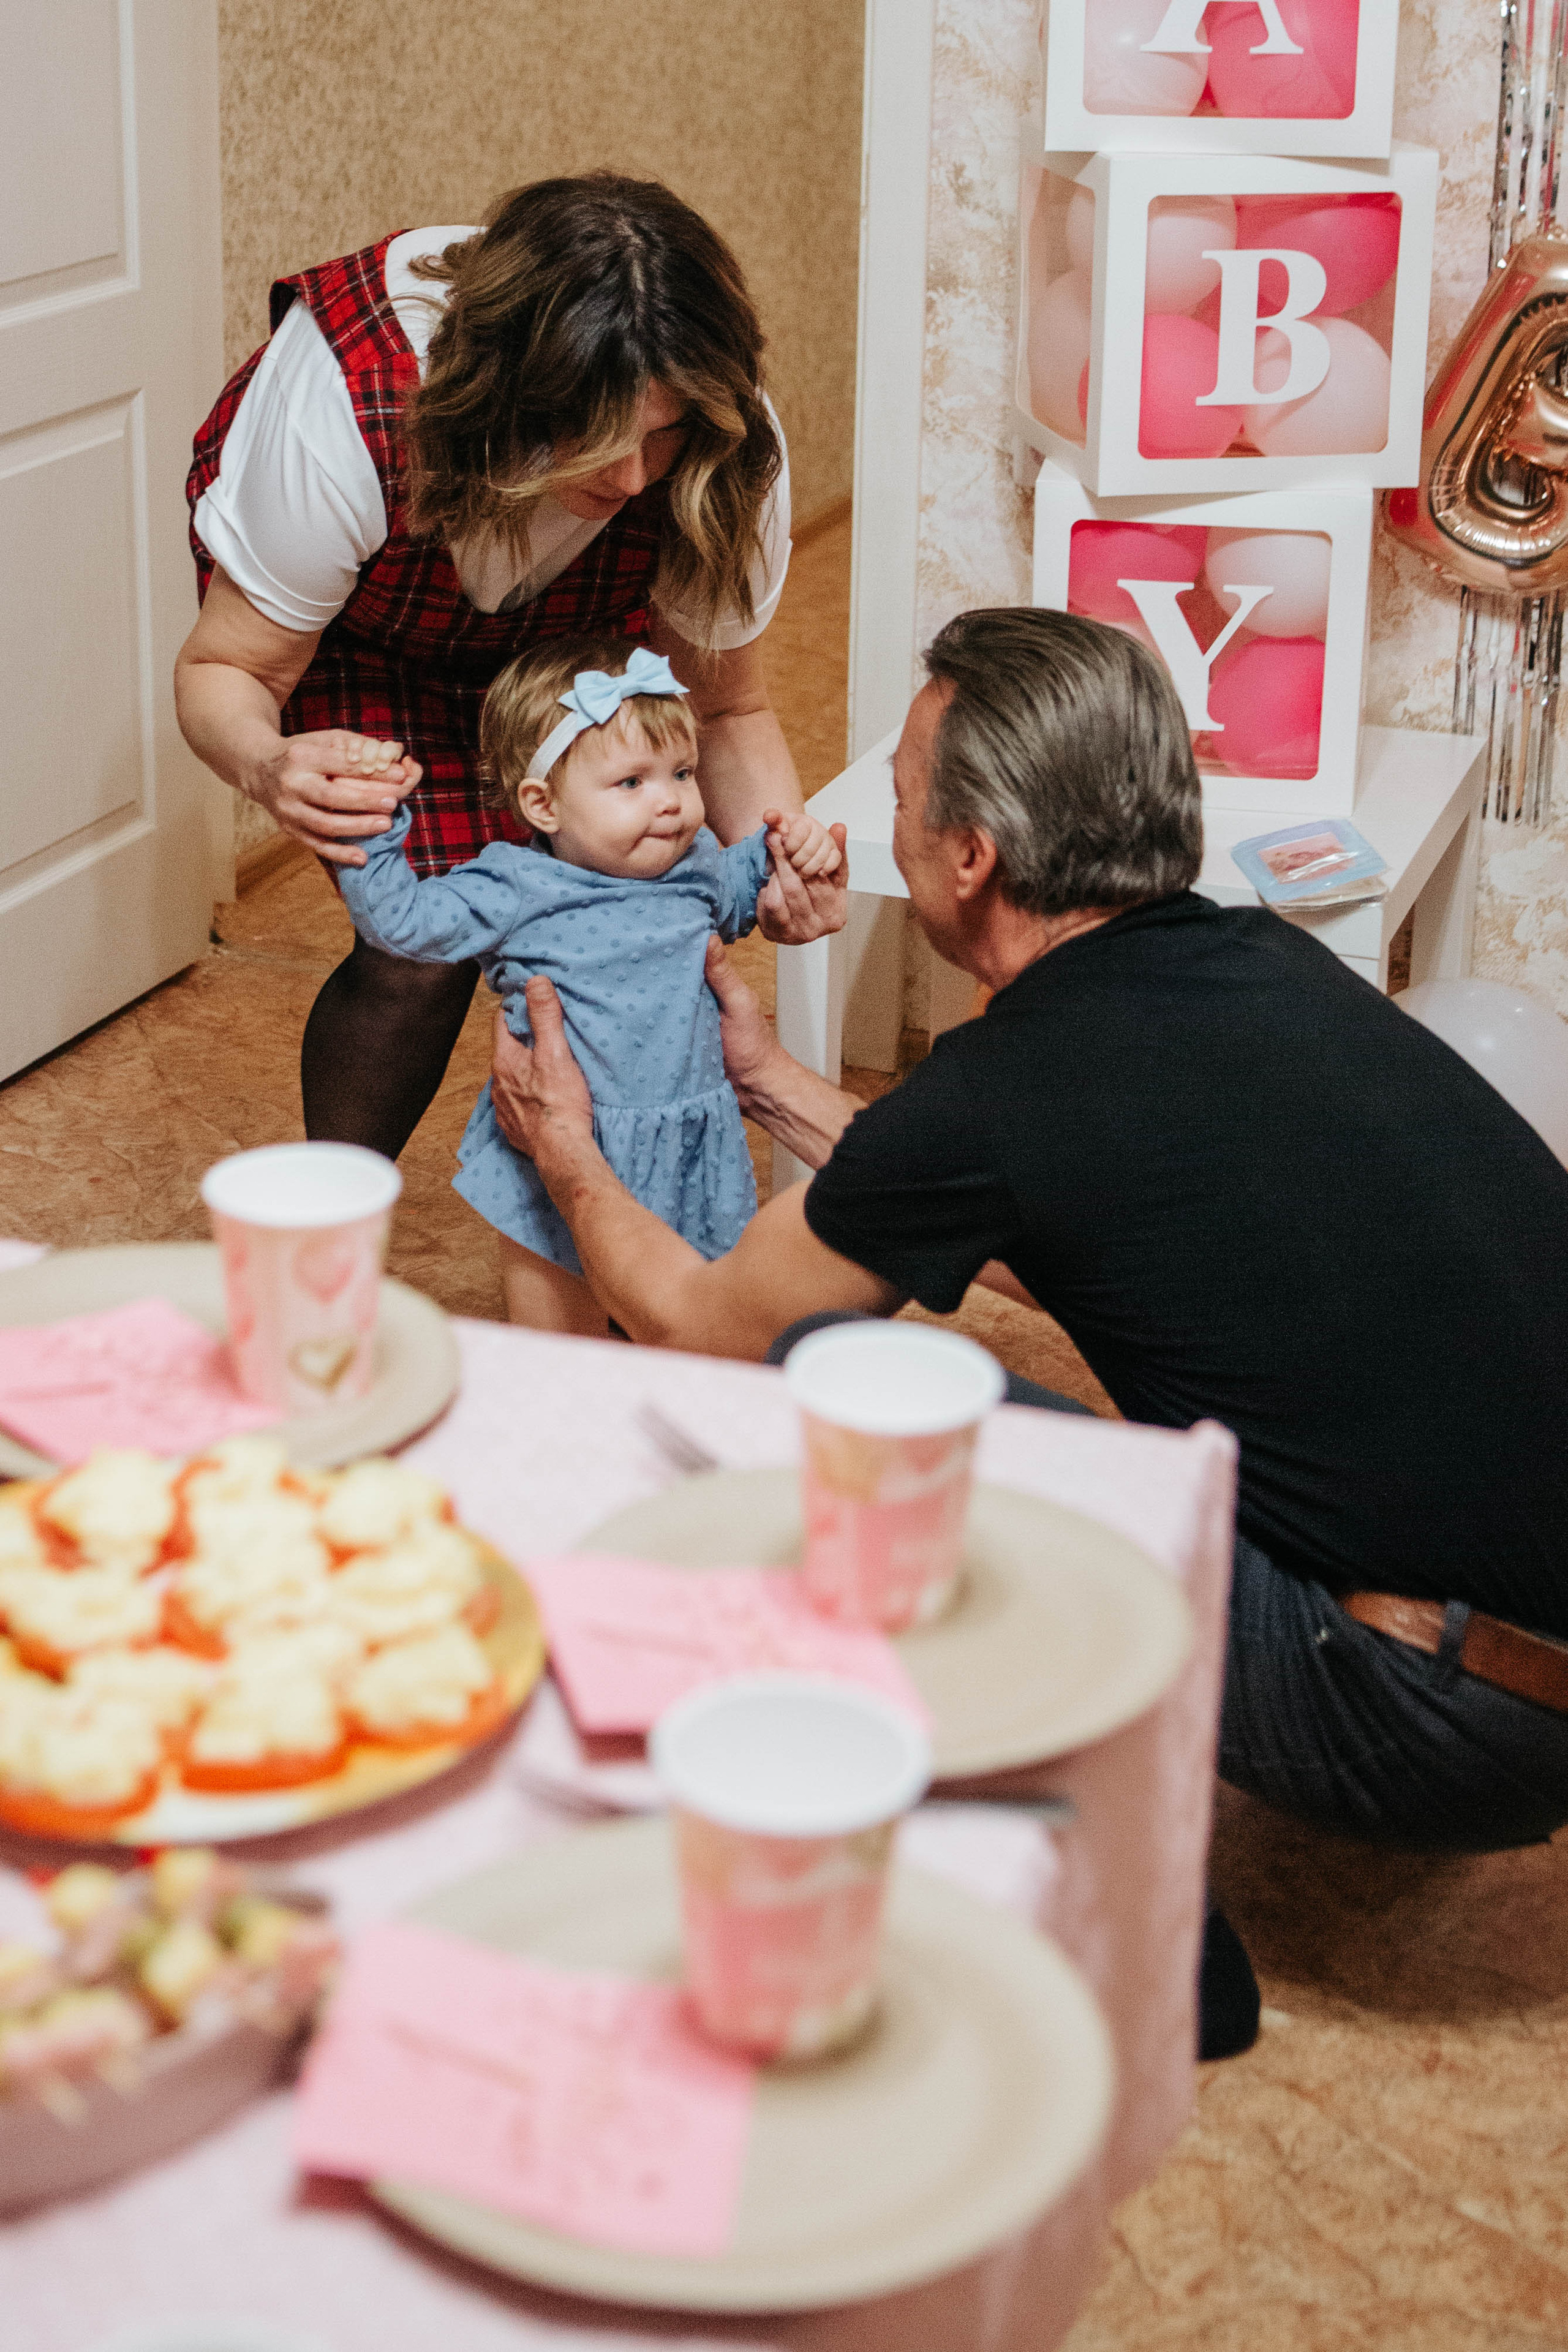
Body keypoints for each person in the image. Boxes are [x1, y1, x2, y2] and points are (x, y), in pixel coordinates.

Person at [489, 605, 1568, 2052]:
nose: (890, 817)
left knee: (849, 1383)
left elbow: (699, 1327)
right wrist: (771, 1083)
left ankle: (1142, 1935)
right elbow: (1061, 1231)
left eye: (900, 797)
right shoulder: (1262, 965)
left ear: (968, 855)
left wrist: (566, 1152)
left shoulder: (1006, 1086)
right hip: (1524, 1670)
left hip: (1434, 1719)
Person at [174, 174, 843, 1160]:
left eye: (659, 435)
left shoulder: (728, 446)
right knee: (415, 954)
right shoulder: (347, 408)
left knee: (632, 916)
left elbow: (727, 707)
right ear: (506, 395)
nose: (628, 481)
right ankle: (336, 1211)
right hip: (365, 636)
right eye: (590, 437)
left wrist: (782, 864)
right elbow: (227, 669)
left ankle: (619, 1249)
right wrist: (266, 764)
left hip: (576, 642)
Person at [336, 637, 843, 1334]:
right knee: (561, 1348)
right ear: (543, 806)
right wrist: (374, 824)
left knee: (691, 1328)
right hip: (560, 1146)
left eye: (683, 772)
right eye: (632, 783)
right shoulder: (514, 886)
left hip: (692, 1143)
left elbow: (748, 883)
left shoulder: (695, 864)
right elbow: (405, 925)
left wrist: (797, 849)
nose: (670, 802)